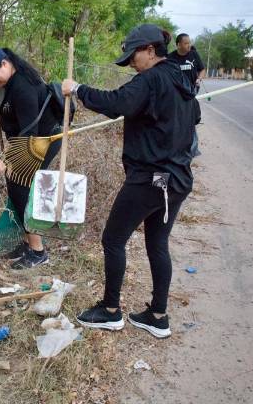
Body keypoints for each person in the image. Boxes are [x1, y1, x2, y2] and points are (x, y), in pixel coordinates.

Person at [62, 24, 201, 339]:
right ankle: (157, 315)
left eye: (133, 56)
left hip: (151, 178)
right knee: (157, 242)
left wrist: (77, 89)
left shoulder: (151, 79)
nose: (131, 64)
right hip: (178, 178)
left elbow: (116, 104)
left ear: (151, 51)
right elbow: (191, 120)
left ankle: (110, 310)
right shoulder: (181, 78)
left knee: (113, 239)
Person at [0, 46, 62, 269]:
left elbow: (29, 131)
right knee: (15, 186)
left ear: (5, 64)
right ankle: (28, 243)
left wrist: (6, 160)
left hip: (41, 140)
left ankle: (38, 252)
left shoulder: (24, 87)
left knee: (22, 189)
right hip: (24, 141)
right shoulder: (1, 81)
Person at [168, 33, 205, 157]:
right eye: (186, 43)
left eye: (189, 42)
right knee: (177, 119)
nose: (189, 45)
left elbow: (202, 69)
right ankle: (176, 146)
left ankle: (192, 149)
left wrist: (199, 79)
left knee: (189, 118)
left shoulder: (193, 55)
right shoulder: (170, 58)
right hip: (176, 94)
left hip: (191, 92)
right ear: (178, 44)